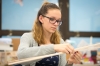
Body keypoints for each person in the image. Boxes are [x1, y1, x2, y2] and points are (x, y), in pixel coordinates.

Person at [17, 2, 82, 66]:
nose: (56, 24)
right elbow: (21, 55)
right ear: (41, 18)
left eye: (58, 21)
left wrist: (70, 62)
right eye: (52, 19)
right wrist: (53, 47)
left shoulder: (60, 41)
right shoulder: (28, 37)